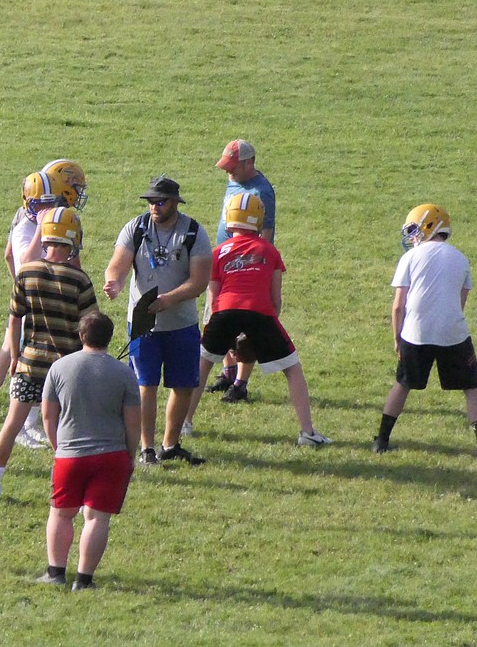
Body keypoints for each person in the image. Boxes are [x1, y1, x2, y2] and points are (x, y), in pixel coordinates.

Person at [192, 193, 331, 447]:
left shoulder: (217, 252)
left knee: (202, 365)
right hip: (260, 311)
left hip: (224, 310)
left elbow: (213, 298)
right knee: (292, 368)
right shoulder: (270, 251)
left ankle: (183, 424)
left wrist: (220, 329)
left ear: (228, 218)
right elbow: (275, 298)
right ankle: (307, 432)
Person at [0, 206, 98, 505]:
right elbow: (91, 325)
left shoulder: (26, 272)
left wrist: (15, 356)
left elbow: (15, 320)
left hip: (29, 362)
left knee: (11, 425)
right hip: (66, 369)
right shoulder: (79, 279)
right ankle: (67, 486)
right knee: (65, 430)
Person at [371, 204, 477, 459]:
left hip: (416, 331)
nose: (412, 236)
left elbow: (399, 306)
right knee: (472, 388)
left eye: (414, 230)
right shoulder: (461, 259)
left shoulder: (410, 258)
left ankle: (382, 440)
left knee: (402, 384)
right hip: (453, 331)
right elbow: (460, 302)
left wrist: (397, 338)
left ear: (430, 226)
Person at [102, 175, 211, 466]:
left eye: (160, 202)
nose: (154, 207)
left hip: (182, 323)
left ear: (175, 202)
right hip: (142, 326)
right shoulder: (136, 228)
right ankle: (146, 448)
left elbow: (200, 281)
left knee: (183, 385)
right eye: (150, 201)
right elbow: (118, 264)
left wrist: (168, 300)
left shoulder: (193, 232)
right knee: (144, 385)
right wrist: (114, 282)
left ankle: (170, 444)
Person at [0, 169, 78, 451]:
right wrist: (43, 228)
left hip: (49, 302)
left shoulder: (54, 221)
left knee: (42, 362)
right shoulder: (25, 229)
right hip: (31, 307)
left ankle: (29, 421)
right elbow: (26, 261)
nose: (44, 209)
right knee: (22, 364)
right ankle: (18, 425)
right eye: (38, 204)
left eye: (48, 203)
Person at [37, 312, 140, 590]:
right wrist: (131, 453)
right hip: (112, 456)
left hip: (70, 455)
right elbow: (133, 421)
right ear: (109, 337)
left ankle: (55, 573)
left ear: (81, 336)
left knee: (61, 513)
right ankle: (84, 579)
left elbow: (48, 415)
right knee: (97, 518)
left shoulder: (60, 368)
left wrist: (57, 446)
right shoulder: (124, 373)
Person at [206, 139, 277, 405]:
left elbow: (265, 237)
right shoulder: (235, 181)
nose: (229, 172)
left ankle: (240, 384)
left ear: (249, 163)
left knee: (244, 332)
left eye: (233, 167)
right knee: (218, 318)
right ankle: (228, 372)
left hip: (243, 268)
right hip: (224, 260)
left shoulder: (261, 192)